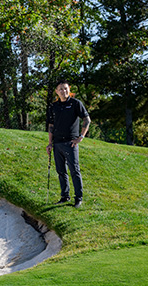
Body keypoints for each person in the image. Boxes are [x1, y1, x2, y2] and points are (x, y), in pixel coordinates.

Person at [46, 79, 91, 208]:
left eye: (65, 88)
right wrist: (50, 143)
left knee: (74, 171)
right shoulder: (53, 106)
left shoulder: (76, 104)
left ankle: (78, 198)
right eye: (60, 89)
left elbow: (87, 119)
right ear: (56, 91)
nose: (63, 91)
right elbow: (51, 125)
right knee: (61, 171)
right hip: (57, 143)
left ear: (69, 90)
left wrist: (81, 137)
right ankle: (65, 196)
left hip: (71, 143)